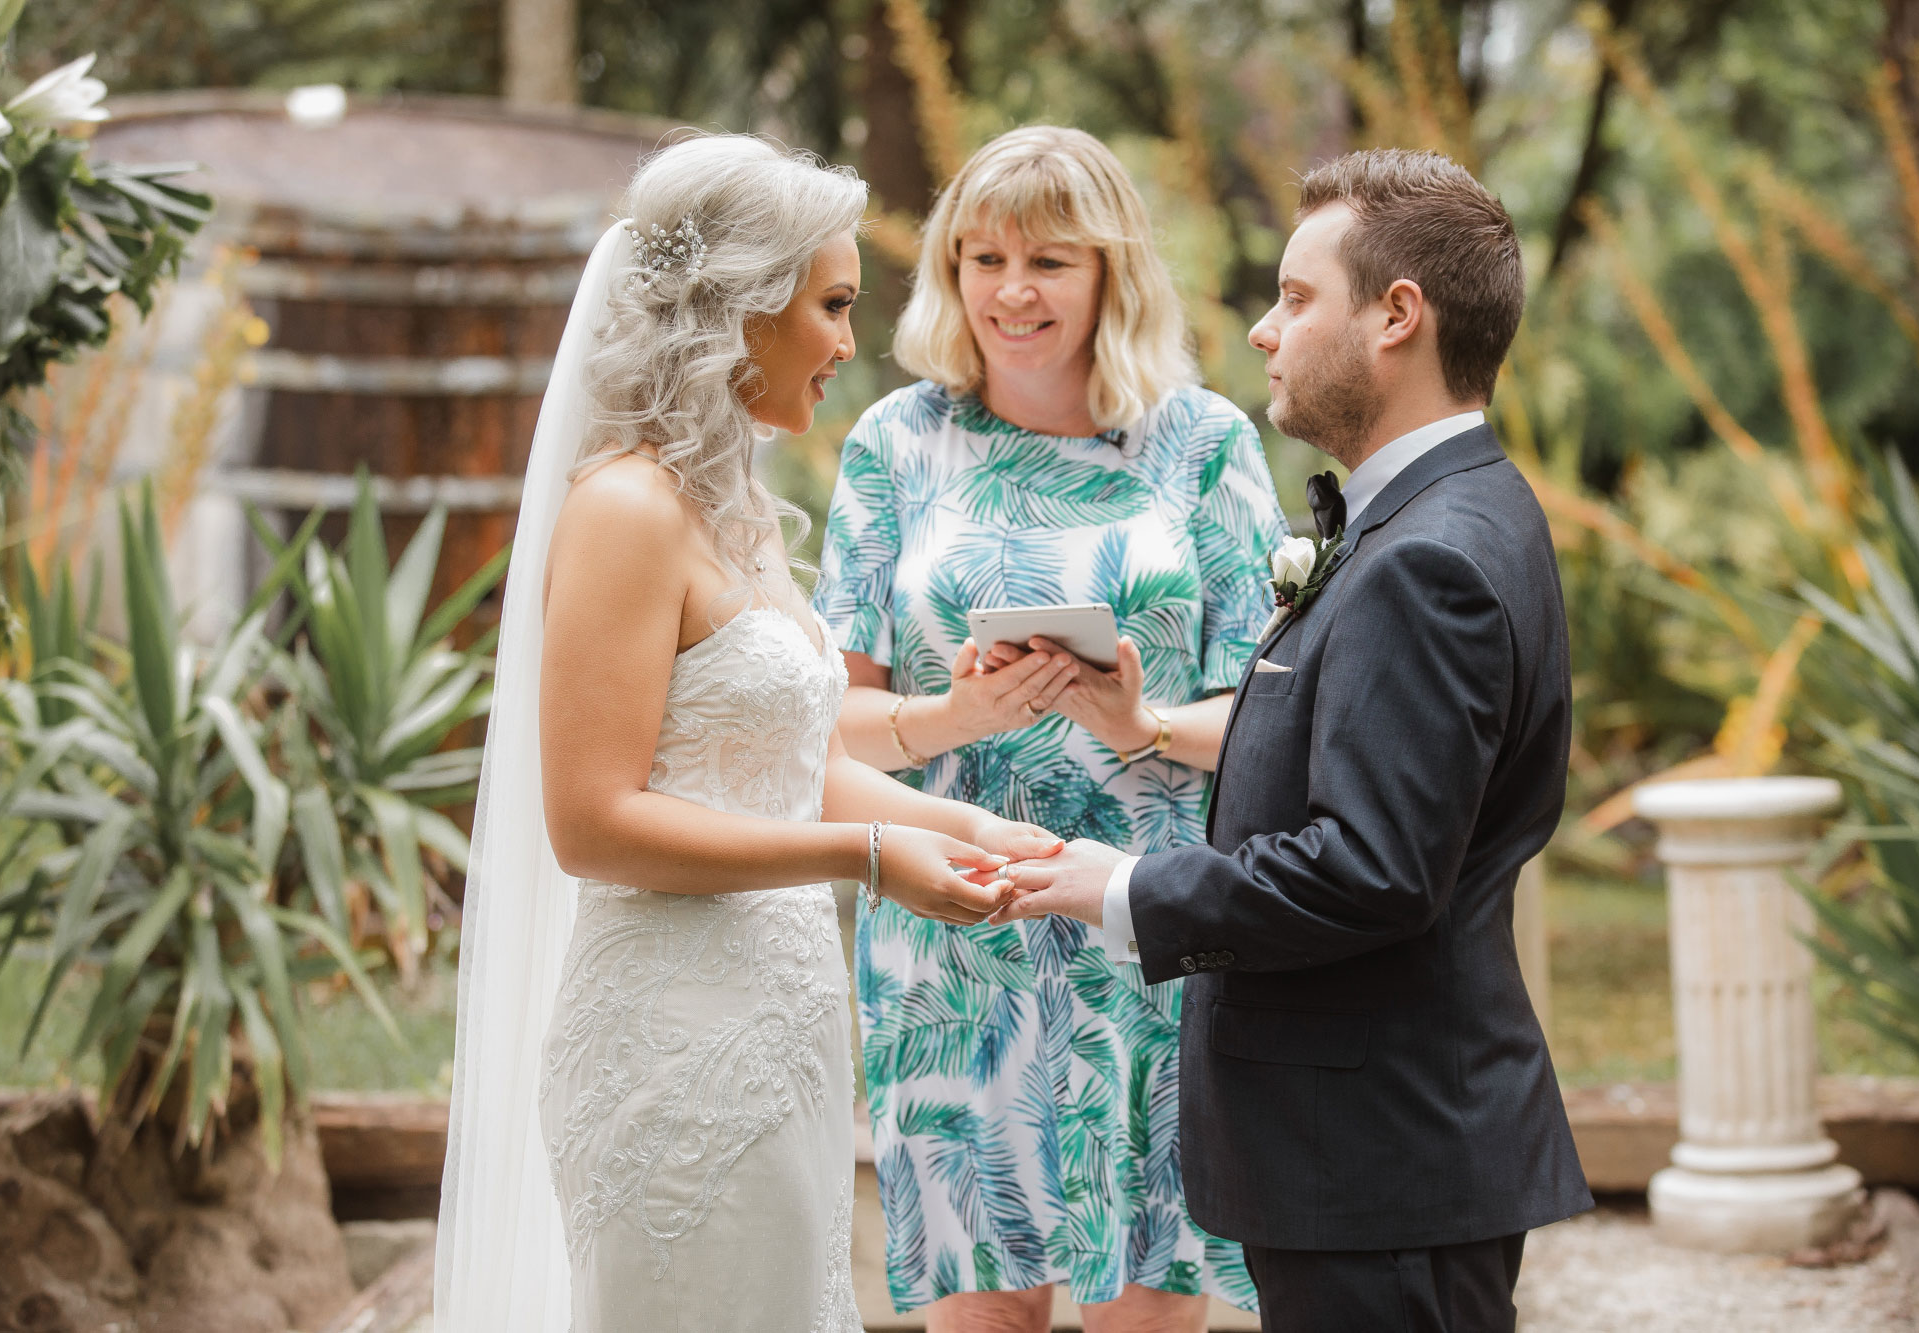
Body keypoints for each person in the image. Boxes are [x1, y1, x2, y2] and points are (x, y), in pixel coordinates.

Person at [435, 133, 1062, 1333]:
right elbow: (593, 823)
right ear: (739, 307)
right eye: (829, 305)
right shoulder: (625, 511)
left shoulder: (742, 513)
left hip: (779, 1026)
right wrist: (870, 863)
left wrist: (975, 827)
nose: (844, 341)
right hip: (673, 1050)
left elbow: (797, 770)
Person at [994, 148, 1594, 1333]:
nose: (1264, 331)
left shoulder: (1426, 558)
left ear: (1396, 317)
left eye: (1295, 296)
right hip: (1371, 1159)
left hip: (1381, 1163)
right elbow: (1366, 759)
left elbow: (1371, 868)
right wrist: (1147, 723)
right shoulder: (1446, 514)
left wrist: (1114, 885)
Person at [814, 125, 1280, 1330]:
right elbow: (829, 725)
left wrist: (1145, 719)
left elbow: (1276, 723)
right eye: (982, 259)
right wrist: (950, 713)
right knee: (986, 1307)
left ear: (1110, 274)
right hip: (953, 922)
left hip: (1148, 915)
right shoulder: (891, 445)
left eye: (1050, 263)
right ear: (949, 273)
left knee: (1147, 1302)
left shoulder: (1205, 444)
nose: (1011, 292)